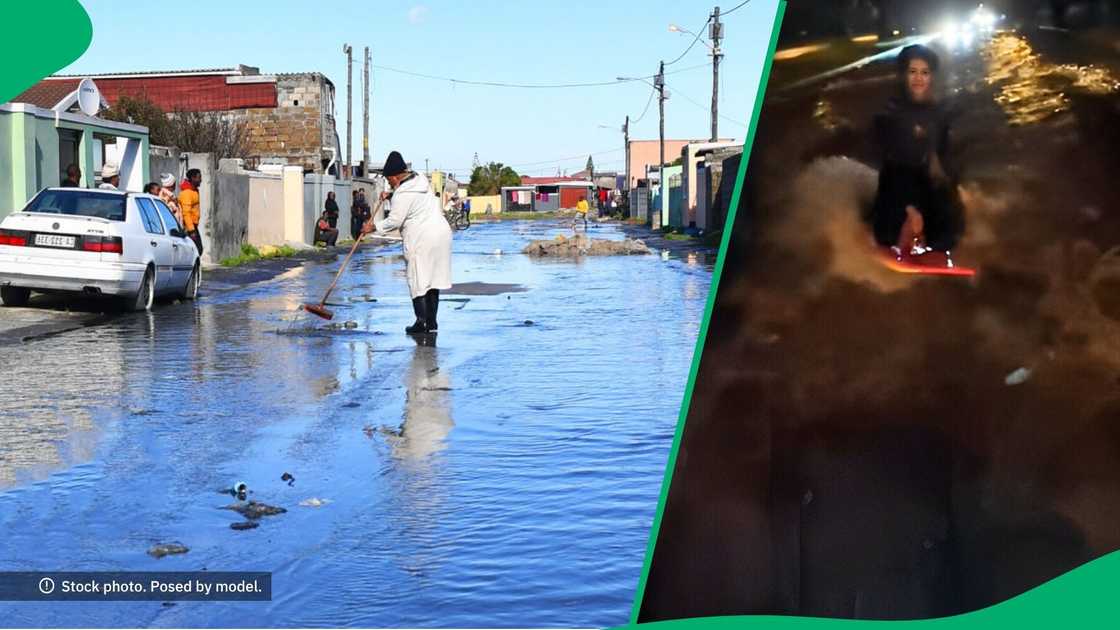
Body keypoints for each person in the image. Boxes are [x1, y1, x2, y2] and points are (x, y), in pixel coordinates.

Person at [871, 44, 964, 255]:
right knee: (887, 234)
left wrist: (950, 186)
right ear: (904, 75)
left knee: (948, 232)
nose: (918, 78)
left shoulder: (939, 114)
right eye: (912, 72)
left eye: (924, 73)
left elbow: (946, 156)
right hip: (897, 186)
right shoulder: (890, 113)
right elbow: (889, 162)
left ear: (931, 77)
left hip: (928, 184)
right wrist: (910, 209)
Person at [362, 150, 452, 335]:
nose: (389, 183)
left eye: (389, 180)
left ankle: (421, 322)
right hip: (441, 234)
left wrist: (372, 228)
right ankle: (432, 322)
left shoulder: (403, 194)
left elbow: (394, 220)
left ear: (395, 177)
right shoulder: (421, 181)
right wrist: (391, 195)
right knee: (433, 279)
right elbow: (410, 198)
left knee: (418, 278)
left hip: (423, 237)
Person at [180, 168, 203, 255]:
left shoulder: (194, 191)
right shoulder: (187, 193)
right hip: (189, 227)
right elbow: (186, 213)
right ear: (193, 178)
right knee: (197, 250)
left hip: (194, 226)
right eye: (199, 177)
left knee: (197, 250)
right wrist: (191, 230)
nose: (201, 180)